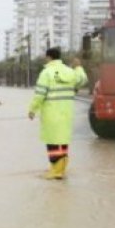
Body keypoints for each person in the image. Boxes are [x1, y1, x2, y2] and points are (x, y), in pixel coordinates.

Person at [27, 47, 87, 180]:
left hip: (51, 114)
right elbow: (82, 80)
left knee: (52, 142)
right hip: (66, 113)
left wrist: (32, 109)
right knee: (62, 140)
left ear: (48, 57)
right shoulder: (70, 71)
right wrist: (78, 67)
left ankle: (56, 171)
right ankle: (60, 169)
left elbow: (40, 94)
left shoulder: (46, 73)